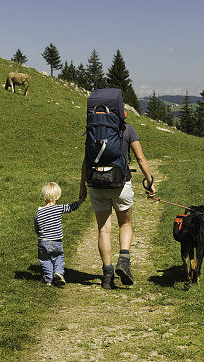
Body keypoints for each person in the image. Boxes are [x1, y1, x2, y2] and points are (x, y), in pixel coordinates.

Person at [79, 116, 157, 289]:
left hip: (96, 184)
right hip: (120, 184)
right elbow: (141, 158)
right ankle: (124, 259)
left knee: (103, 229)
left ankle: (107, 274)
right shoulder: (128, 129)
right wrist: (150, 182)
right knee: (125, 223)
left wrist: (82, 186)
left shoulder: (93, 131)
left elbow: (87, 160)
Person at [34, 182, 84, 286]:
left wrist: (39, 234)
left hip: (43, 242)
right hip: (56, 241)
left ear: (44, 197)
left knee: (45, 260)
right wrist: (80, 201)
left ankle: (48, 279)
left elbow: (36, 226)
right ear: (58, 196)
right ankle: (58, 273)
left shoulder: (39, 212)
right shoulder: (58, 208)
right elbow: (71, 207)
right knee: (58, 257)